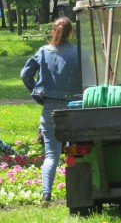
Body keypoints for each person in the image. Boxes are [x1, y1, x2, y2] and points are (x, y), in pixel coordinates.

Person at [20, 17, 81, 204]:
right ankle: (78, 193)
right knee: (76, 152)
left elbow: (25, 74)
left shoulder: (43, 51)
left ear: (53, 31)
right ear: (71, 32)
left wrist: (36, 92)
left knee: (51, 155)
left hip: (50, 108)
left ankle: (46, 195)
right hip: (74, 108)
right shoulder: (78, 53)